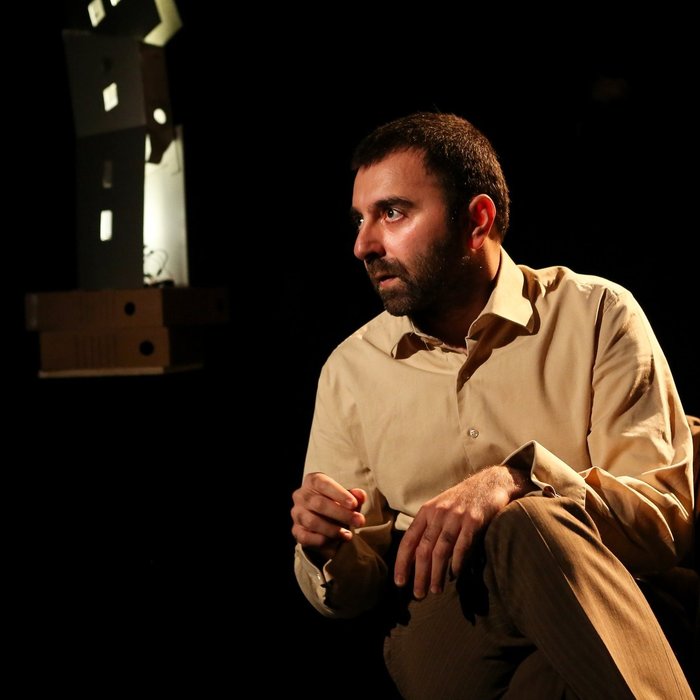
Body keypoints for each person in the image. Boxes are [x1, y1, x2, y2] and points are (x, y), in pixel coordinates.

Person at [289, 112, 695, 698]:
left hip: (604, 601)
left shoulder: (597, 315)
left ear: (477, 221)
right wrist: (326, 549)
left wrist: (515, 479)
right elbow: (353, 592)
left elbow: (663, 522)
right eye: (360, 219)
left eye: (393, 212)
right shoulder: (350, 370)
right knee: (528, 530)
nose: (363, 245)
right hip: (448, 626)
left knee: (539, 599)